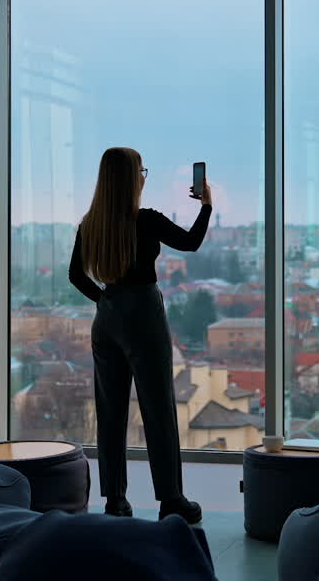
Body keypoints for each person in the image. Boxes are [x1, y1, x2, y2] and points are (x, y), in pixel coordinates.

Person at [68, 147, 212, 524]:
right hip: (144, 316)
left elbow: (76, 275)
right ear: (134, 179)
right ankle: (171, 499)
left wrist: (105, 300)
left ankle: (115, 500)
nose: (144, 177)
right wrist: (206, 205)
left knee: (110, 411)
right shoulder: (146, 219)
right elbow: (191, 242)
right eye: (142, 171)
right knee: (158, 408)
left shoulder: (90, 223)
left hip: (108, 318)